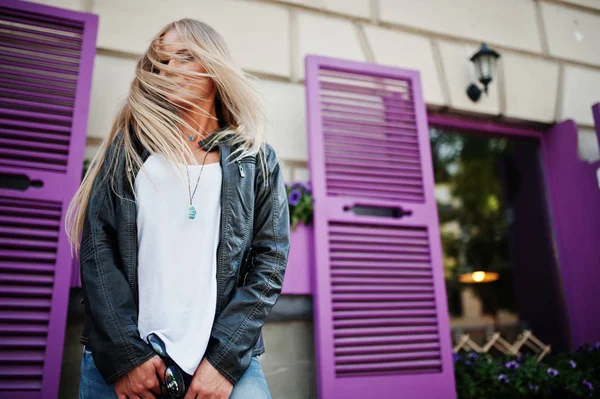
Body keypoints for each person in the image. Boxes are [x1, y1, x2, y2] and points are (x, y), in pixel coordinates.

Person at [66, 18, 290, 399]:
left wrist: (223, 363)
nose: (169, 70)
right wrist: (125, 358)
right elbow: (97, 250)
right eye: (161, 63)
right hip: (128, 362)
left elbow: (269, 263)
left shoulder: (256, 159)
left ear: (214, 66)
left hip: (224, 362)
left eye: (184, 56)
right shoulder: (129, 149)